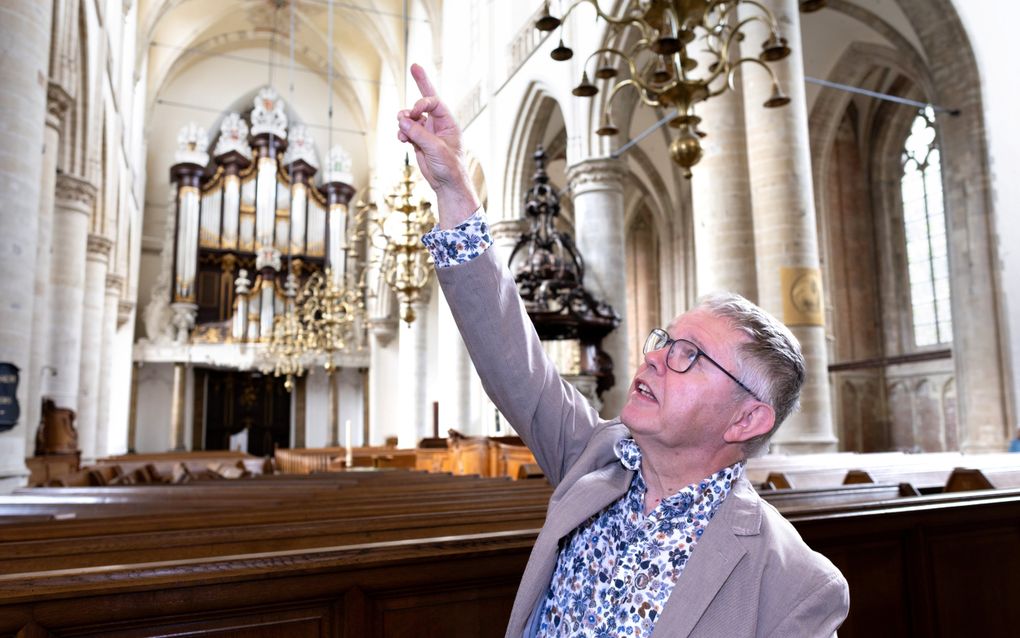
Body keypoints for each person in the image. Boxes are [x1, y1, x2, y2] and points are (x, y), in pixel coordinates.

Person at [397, 63, 849, 638]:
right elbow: (509, 356)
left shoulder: (796, 586)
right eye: (665, 340)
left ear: (747, 418)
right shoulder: (595, 457)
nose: (654, 357)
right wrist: (453, 189)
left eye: (690, 355)